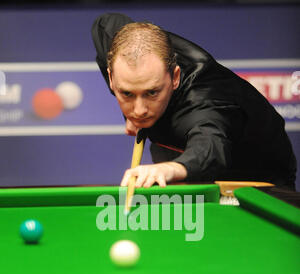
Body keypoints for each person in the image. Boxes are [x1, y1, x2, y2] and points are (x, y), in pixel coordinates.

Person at [91, 13, 297, 190]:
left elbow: (210, 148)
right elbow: (104, 23)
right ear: (112, 78)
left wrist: (170, 168)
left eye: (152, 92)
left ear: (175, 77)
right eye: (127, 93)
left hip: (255, 174)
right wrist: (128, 109)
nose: (139, 109)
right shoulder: (117, 45)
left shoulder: (203, 99)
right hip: (178, 147)